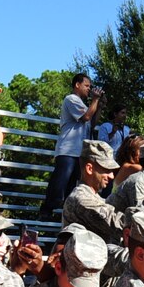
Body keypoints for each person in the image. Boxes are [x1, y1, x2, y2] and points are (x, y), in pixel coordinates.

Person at [41, 74, 102, 217]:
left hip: (79, 152)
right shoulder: (71, 99)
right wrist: (95, 99)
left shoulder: (83, 104)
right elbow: (86, 117)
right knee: (60, 182)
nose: (89, 89)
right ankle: (47, 209)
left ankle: (65, 213)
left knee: (71, 186)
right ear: (77, 85)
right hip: (68, 150)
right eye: (87, 86)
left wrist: (99, 105)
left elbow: (92, 123)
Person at [61, 140, 126, 251]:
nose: (111, 176)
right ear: (89, 169)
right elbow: (119, 224)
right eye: (106, 170)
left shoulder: (92, 196)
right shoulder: (81, 198)